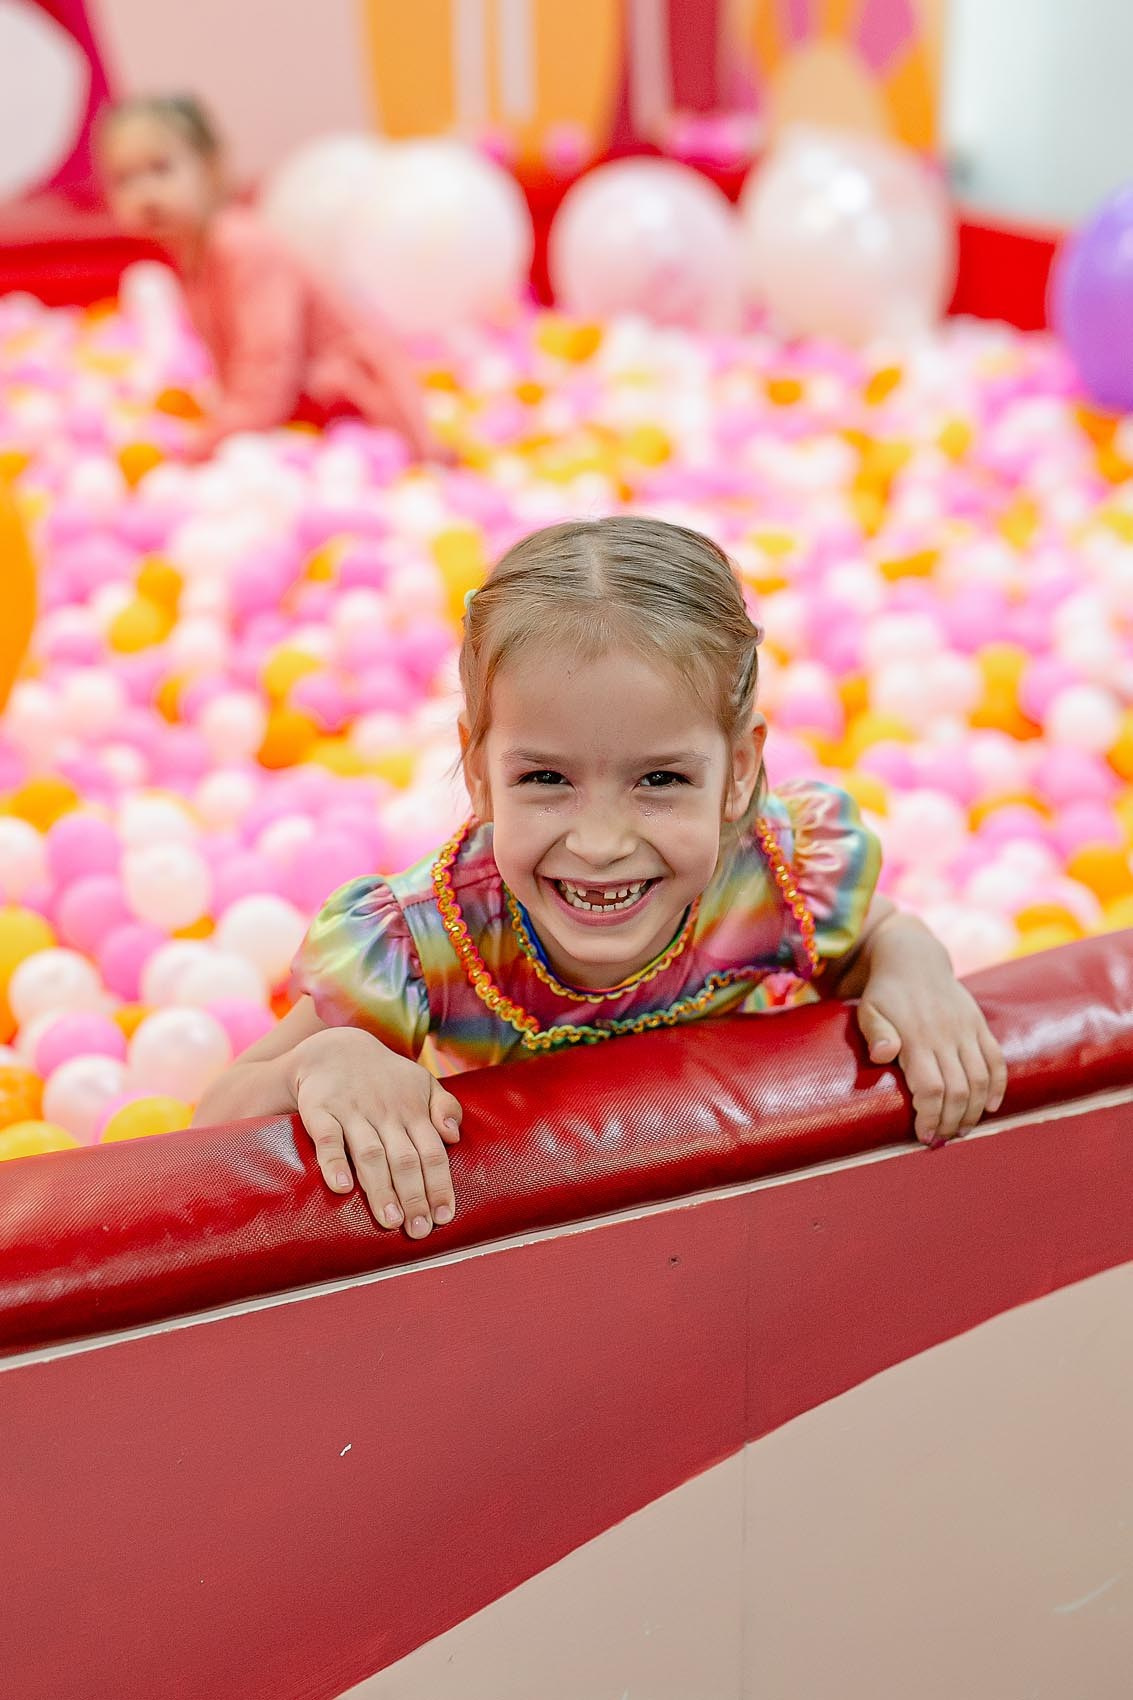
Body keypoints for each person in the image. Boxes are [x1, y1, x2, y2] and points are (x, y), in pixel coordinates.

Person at [195, 517, 1007, 1236]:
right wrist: (325, 1060)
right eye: (544, 780)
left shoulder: (775, 874)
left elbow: (876, 933)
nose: (600, 842)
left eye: (659, 781)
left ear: (737, 772)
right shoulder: (422, 943)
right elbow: (211, 1126)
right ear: (477, 773)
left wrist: (911, 964)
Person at [97, 95, 439, 461]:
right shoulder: (196, 253)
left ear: (210, 168)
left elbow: (268, 363)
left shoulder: (240, 244)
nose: (145, 195)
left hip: (359, 415)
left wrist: (213, 441)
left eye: (161, 169)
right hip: (303, 419)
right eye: (125, 179)